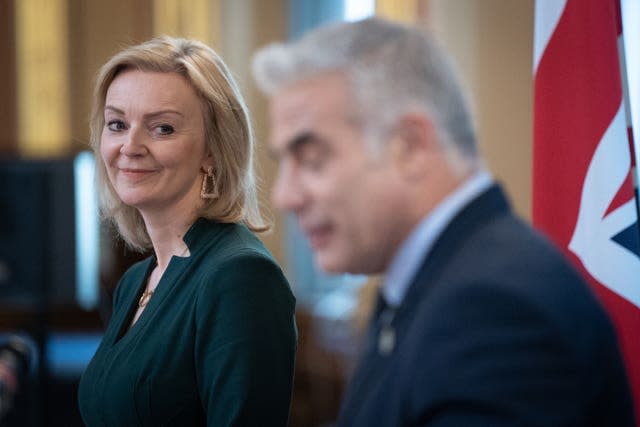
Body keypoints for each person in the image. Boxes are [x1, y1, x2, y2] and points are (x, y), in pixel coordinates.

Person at [252, 17, 636, 426]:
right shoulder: (432, 278)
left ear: (411, 146)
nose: (284, 196)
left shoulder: (495, 310)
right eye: (285, 163)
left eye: (311, 160)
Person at [77, 36, 297, 426]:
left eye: (162, 128)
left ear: (213, 148)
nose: (130, 145)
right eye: (117, 124)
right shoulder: (135, 281)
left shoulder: (240, 277)